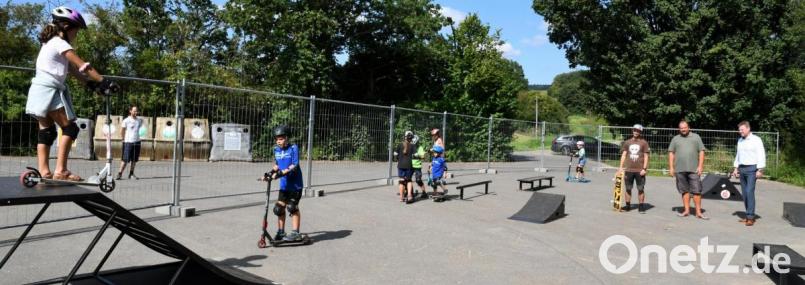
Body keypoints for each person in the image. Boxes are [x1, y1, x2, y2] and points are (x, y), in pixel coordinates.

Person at [25, 6, 118, 181]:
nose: (77, 34)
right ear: (67, 27)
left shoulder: (48, 43)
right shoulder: (61, 43)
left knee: (47, 132)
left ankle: (44, 172)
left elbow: (72, 71)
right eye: (76, 30)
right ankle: (61, 171)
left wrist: (90, 84)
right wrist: (104, 81)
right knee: (70, 128)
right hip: (49, 91)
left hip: (37, 91)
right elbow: (83, 66)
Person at [260, 125, 305, 241]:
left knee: (292, 207)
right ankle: (281, 232)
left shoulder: (293, 148)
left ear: (287, 138)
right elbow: (277, 165)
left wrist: (279, 174)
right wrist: (268, 174)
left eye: (281, 139)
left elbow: (294, 165)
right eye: (277, 139)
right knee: (278, 209)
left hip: (295, 185)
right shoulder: (276, 149)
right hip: (284, 186)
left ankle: (296, 233)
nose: (278, 141)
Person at [668, 120, 707, 220]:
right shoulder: (675, 139)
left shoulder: (696, 137)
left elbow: (701, 152)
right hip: (679, 169)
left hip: (694, 169)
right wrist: (671, 167)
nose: (683, 130)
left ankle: (698, 212)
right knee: (684, 190)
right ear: (679, 129)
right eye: (681, 128)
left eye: (685, 128)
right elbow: (671, 153)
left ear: (688, 127)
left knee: (697, 191)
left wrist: (700, 166)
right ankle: (686, 210)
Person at [731, 121, 765, 226]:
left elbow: (761, 154)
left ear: (748, 129)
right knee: (745, 194)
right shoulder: (740, 140)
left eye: (742, 129)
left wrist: (760, 169)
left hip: (752, 169)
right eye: (739, 129)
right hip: (742, 169)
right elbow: (738, 155)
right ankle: (747, 215)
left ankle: (750, 217)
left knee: (750, 191)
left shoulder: (756, 140)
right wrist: (736, 168)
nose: (740, 131)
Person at [617, 124, 650, 213]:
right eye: (635, 130)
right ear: (632, 130)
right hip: (628, 170)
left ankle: (641, 207)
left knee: (640, 189)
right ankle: (627, 206)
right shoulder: (627, 142)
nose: (636, 132)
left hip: (640, 171)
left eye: (638, 130)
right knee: (628, 188)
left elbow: (646, 156)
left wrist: (644, 169)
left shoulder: (644, 142)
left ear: (640, 132)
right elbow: (623, 155)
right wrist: (620, 167)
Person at [117, 106, 142, 180]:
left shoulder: (139, 120)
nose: (135, 112)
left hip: (137, 142)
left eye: (136, 111)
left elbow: (137, 130)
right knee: (125, 159)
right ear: (130, 111)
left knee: (134, 160)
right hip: (128, 142)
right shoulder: (126, 120)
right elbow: (122, 131)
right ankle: (119, 174)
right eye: (134, 111)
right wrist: (123, 139)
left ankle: (131, 174)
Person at [396, 131, 416, 203]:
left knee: (401, 181)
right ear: (411, 138)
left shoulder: (399, 145)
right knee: (409, 180)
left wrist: (399, 159)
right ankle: (409, 195)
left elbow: (395, 154)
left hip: (400, 165)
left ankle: (401, 197)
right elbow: (415, 155)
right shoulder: (413, 146)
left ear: (405, 137)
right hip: (409, 165)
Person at [411, 134, 429, 199]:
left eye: (415, 143)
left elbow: (423, 156)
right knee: (407, 179)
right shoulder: (410, 146)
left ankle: (424, 192)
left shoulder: (420, 148)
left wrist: (417, 156)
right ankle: (410, 192)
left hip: (417, 166)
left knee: (418, 180)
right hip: (410, 166)